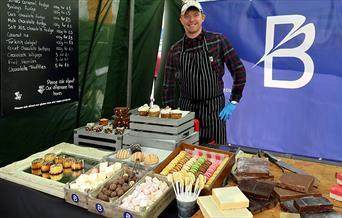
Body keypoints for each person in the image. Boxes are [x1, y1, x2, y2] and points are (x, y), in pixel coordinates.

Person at [162, 0, 246, 144]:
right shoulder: (175, 50)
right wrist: (170, 113)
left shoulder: (218, 41)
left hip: (214, 111)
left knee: (216, 155)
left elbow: (239, 71)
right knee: (187, 155)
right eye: (187, 16)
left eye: (195, 15)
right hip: (186, 113)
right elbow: (167, 87)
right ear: (181, 20)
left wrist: (233, 101)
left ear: (203, 17)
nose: (191, 20)